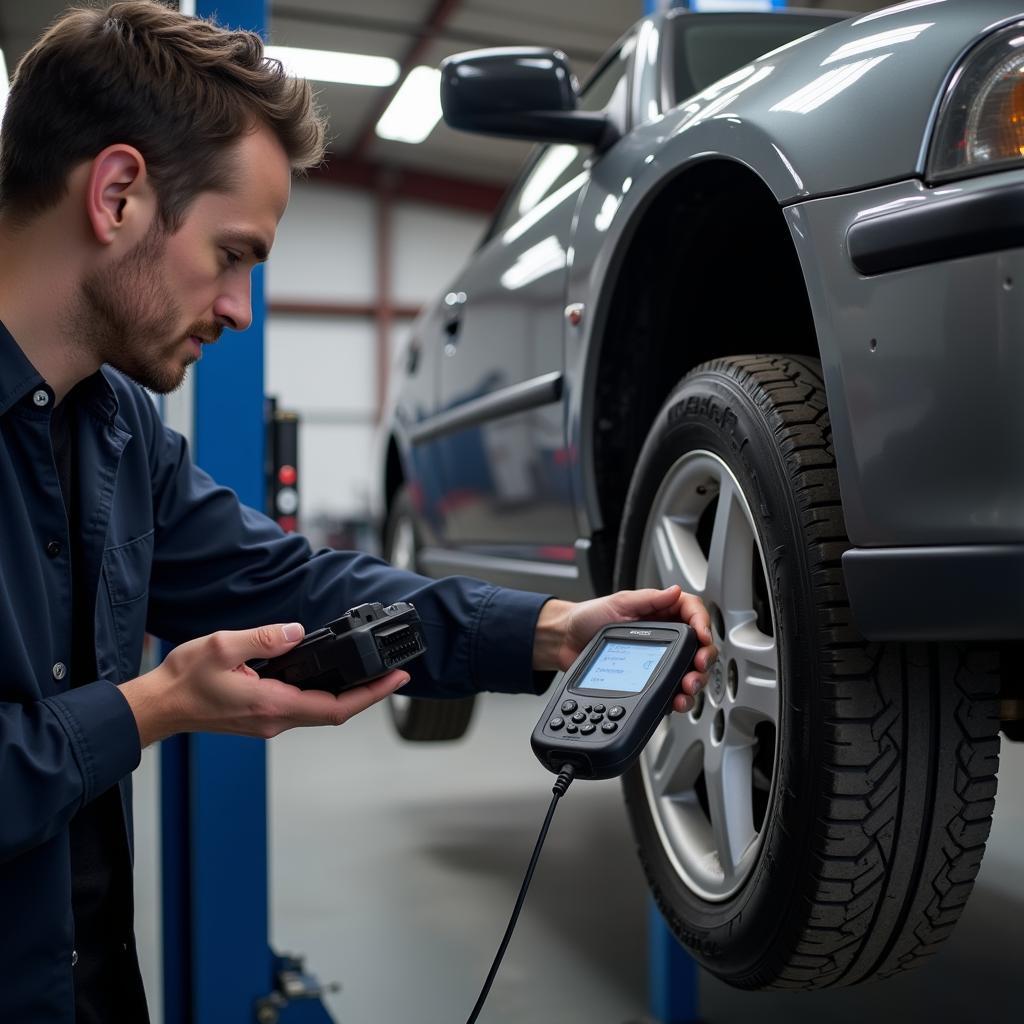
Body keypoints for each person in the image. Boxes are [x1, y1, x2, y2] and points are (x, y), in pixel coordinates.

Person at [0, 3, 718, 1021]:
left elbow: (303, 583)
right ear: (117, 194)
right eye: (234, 253)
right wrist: (152, 706)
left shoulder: (115, 434)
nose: (243, 307)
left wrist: (557, 630)